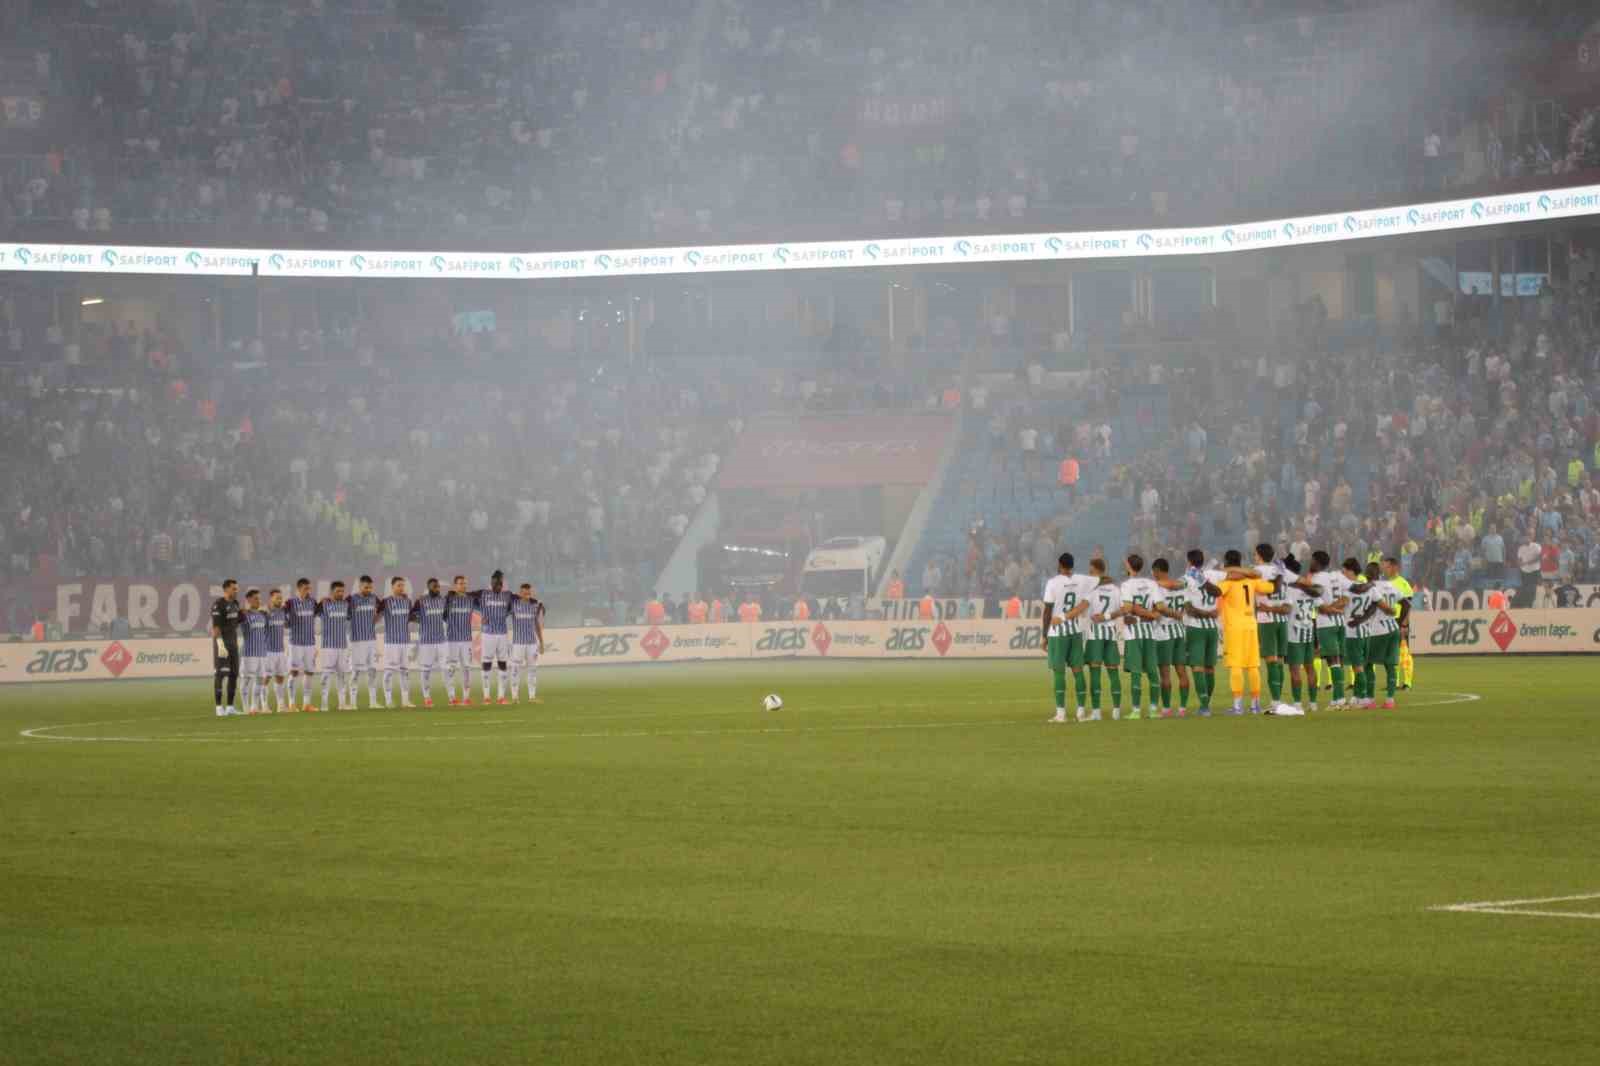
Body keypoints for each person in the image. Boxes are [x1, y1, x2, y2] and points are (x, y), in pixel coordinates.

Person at [1217, 551, 1276, 714]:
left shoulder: (1228, 581)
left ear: (1226, 562)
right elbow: (1271, 588)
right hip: (1251, 624)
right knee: (1252, 666)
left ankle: (1237, 706)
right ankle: (1255, 705)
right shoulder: (1251, 579)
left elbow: (1215, 592)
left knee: (1236, 665)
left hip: (1234, 627)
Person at [1041, 552, 1097, 723]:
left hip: (1058, 632)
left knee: (1059, 672)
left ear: (1059, 565)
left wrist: (1044, 635)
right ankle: (1081, 712)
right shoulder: (1082, 580)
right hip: (1076, 630)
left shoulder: (1052, 583)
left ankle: (1061, 714)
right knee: (1078, 671)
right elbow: (1099, 579)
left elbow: (1048, 611)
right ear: (1073, 565)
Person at [1118, 554, 1164, 720]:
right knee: (1153, 671)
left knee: (1136, 672)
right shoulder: (1152, 584)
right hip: (1150, 632)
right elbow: (1160, 607)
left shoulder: (1126, 585)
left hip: (1134, 633)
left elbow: (1130, 607)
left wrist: (1144, 613)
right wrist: (1153, 615)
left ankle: (1136, 711)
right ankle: (1153, 710)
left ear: (1129, 566)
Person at [1181, 550, 1226, 717]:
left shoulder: (1187, 578)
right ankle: (1207, 704)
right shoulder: (1213, 575)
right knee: (1209, 668)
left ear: (1188, 561)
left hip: (1196, 628)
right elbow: (1220, 591)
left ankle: (1205, 707)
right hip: (1212, 628)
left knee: (1198, 668)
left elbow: (1189, 609)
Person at [1308, 551, 1351, 708]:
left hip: (1326, 625)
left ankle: (1339, 700)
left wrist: (1329, 609)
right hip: (1341, 623)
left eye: (1311, 560)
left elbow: (1320, 607)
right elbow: (1347, 597)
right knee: (1338, 661)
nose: (1309, 562)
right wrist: (1337, 609)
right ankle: (1337, 698)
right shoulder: (1338, 576)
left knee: (1333, 661)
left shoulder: (1316, 579)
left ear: (1316, 562)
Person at [1083, 558, 1124, 719]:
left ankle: (1096, 712)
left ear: (1094, 570)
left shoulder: (1091, 589)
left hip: (1095, 635)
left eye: (1090, 569)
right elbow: (1123, 610)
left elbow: (1083, 608)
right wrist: (1108, 616)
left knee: (1095, 673)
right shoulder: (1115, 589)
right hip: (1111, 634)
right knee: (1113, 673)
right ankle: (1116, 712)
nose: (1089, 572)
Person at [1359, 561, 1403, 709]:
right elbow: (1407, 602)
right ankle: (1390, 700)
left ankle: (1370, 700)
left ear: (1367, 575)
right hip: (1393, 629)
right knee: (1390, 665)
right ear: (1380, 573)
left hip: (1375, 631)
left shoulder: (1369, 589)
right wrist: (1401, 622)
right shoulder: (1390, 585)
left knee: (1368, 664)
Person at [1150, 558, 1190, 716]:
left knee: (1165, 673)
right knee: (1182, 671)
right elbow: (1186, 605)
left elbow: (1159, 608)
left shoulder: (1157, 588)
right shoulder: (1181, 586)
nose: (1152, 575)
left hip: (1163, 632)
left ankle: (1166, 709)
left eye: (1153, 571)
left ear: (1158, 571)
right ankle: (1183, 708)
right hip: (1179, 631)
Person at [1253, 544, 1291, 705]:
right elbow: (1288, 606)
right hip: (1282, 620)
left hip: (1266, 620)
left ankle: (1275, 701)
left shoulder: (1256, 571)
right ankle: (1278, 698)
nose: (1254, 557)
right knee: (1280, 660)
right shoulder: (1282, 572)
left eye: (1255, 554)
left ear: (1260, 555)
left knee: (1271, 660)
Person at [475, 571, 515, 704]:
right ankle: (486, 697)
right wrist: (481, 615)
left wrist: (536, 601)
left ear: (502, 583)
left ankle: (501, 697)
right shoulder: (483, 594)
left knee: (503, 663)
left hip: (502, 634)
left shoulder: (508, 595)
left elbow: (517, 602)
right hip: (488, 634)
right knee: (486, 663)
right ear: (491, 582)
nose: (497, 585)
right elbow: (469, 599)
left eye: (499, 582)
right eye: (494, 582)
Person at [411, 578, 450, 708]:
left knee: (446, 668)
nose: (437, 589)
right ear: (429, 587)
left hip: (441, 640)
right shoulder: (421, 601)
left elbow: (445, 616)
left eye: (438, 587)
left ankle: (452, 696)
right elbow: (412, 616)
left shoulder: (442, 600)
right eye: (434, 587)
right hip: (426, 641)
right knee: (426, 670)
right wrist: (422, 620)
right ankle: (427, 697)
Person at [1340, 559, 1373, 707]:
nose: (1343, 574)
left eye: (1344, 571)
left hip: (1353, 632)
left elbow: (1343, 603)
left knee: (1357, 667)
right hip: (1366, 631)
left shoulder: (1349, 587)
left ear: (1350, 571)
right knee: (1360, 665)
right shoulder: (1368, 585)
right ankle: (1357, 696)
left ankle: (1364, 697)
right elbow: (1376, 604)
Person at [286, 577, 321, 712]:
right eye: (305, 588)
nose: (308, 591)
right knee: (294, 672)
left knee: (309, 673)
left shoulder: (312, 602)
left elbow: (320, 612)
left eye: (309, 588)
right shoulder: (290, 603)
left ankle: (307, 704)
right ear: (299, 589)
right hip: (295, 643)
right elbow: (284, 619)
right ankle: (292, 704)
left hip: (309, 643)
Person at [318, 580, 354, 712]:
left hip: (342, 645)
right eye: (338, 591)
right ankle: (324, 703)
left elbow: (350, 617)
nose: (341, 593)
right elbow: (314, 612)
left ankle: (342, 703)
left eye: (342, 591)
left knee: (342, 675)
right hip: (328, 646)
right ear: (332, 591)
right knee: (326, 675)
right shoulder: (324, 605)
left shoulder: (346, 605)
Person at [380, 577, 415, 708]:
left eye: (403, 586)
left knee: (405, 671)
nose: (401, 588)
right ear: (392, 587)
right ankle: (388, 700)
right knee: (389, 671)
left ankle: (405, 701)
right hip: (391, 642)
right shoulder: (386, 602)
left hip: (405, 641)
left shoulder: (407, 601)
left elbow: (411, 617)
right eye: (399, 585)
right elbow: (376, 616)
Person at [1381, 556, 1415, 690]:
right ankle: (1393, 682)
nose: (1384, 569)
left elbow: (1408, 605)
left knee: (1404, 652)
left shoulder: (1403, 583)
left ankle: (1407, 682)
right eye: (1384, 566)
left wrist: (1404, 624)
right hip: (1388, 622)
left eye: (1387, 566)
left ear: (1395, 567)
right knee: (1390, 654)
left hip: (1400, 621)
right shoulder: (1384, 583)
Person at [348, 575, 382, 709]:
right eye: (366, 587)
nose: (369, 589)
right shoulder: (351, 600)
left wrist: (376, 618)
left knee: (372, 670)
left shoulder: (374, 599)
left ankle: (373, 702)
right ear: (360, 586)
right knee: (355, 671)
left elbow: (381, 610)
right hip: (357, 641)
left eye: (370, 587)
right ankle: (352, 702)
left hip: (371, 640)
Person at [210, 578, 242, 717]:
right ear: (226, 589)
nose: (236, 591)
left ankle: (230, 707)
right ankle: (218, 707)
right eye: (234, 588)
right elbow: (216, 628)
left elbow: (238, 620)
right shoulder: (218, 604)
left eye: (236, 588)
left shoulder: (235, 603)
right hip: (222, 645)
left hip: (233, 644)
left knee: (234, 674)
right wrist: (220, 644)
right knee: (221, 674)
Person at [510, 583, 545, 703]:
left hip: (532, 643)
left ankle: (532, 697)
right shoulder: (513, 604)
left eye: (529, 593)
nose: (527, 595)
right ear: (520, 593)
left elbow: (537, 625)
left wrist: (541, 642)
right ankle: (515, 697)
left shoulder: (535, 605)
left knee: (532, 669)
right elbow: (502, 614)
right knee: (515, 669)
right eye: (524, 593)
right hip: (518, 643)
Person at [444, 575, 476, 706]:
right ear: (455, 585)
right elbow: (443, 615)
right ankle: (452, 698)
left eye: (465, 583)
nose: (464, 585)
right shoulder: (449, 599)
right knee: (451, 668)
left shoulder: (470, 600)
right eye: (461, 583)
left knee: (467, 668)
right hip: (452, 640)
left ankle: (466, 698)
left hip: (467, 639)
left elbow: (480, 608)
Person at [238, 588, 268, 715]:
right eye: (256, 598)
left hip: (261, 653)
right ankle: (245, 707)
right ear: (249, 600)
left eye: (259, 598)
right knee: (246, 680)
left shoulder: (262, 615)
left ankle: (254, 707)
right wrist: (240, 612)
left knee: (260, 680)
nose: (258, 601)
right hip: (249, 653)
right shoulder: (245, 615)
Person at [265, 590, 290, 713]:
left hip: (280, 650)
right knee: (265, 678)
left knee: (280, 678)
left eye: (281, 598)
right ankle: (264, 705)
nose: (280, 601)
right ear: (271, 599)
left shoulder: (282, 612)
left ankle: (281, 705)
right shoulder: (265, 613)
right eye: (277, 598)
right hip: (268, 651)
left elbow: (286, 625)